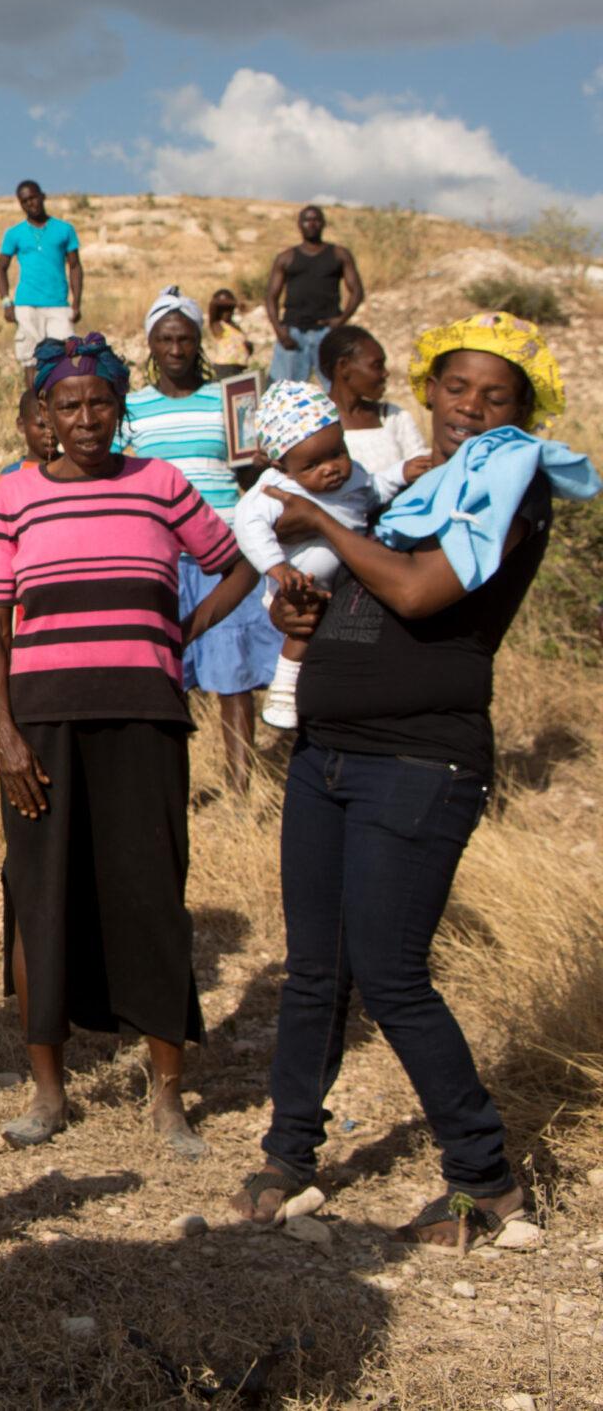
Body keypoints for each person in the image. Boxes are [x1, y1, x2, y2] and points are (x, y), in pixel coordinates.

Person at [237, 313, 597, 1245]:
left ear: (522, 412)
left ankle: (488, 1182)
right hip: (329, 751)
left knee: (392, 974)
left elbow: (416, 591)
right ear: (430, 390)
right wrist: (303, 602)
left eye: (496, 396)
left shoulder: (508, 492)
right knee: (317, 970)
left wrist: (315, 520)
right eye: (457, 388)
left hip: (419, 760)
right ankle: (289, 1155)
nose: (470, 408)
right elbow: (367, 594)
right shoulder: (420, 486)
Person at [0, 335, 258, 1157]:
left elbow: (234, 563)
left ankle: (168, 1096)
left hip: (145, 715)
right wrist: (4, 736)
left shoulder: (161, 483)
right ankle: (47, 1090)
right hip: (43, 722)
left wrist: (183, 632)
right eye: (68, 406)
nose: (86, 418)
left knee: (151, 894)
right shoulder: (16, 494)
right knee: (41, 894)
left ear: (119, 407)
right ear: (45, 415)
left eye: (100, 402)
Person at [118, 285, 277, 789]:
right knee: (168, 672)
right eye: (165, 339)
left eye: (185, 339)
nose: (176, 349)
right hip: (158, 555)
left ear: (198, 342)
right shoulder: (131, 409)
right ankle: (173, 786)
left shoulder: (229, 400)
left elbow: (249, 478)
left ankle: (240, 788)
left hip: (223, 553)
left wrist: (263, 464)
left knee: (234, 669)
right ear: (150, 343)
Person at [234, 381, 392, 732]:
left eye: (338, 453)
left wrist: (404, 474)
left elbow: (375, 490)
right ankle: (283, 693)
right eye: (313, 465)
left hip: (348, 581)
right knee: (303, 628)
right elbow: (248, 524)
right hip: (298, 580)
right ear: (283, 464)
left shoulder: (354, 476)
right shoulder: (276, 489)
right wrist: (277, 568)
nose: (331, 469)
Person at [0, 181, 84, 386]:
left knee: (66, 356)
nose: (30, 204)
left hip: (58, 304)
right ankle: (35, 410)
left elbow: (75, 266)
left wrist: (76, 302)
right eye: (24, 201)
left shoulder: (64, 229)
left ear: (42, 196)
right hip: (27, 304)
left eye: (33, 198)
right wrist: (7, 302)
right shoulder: (14, 233)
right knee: (30, 359)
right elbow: (0, 268)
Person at [318, 325, 430, 487]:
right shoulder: (314, 421)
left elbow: (424, 471)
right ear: (343, 367)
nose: (385, 373)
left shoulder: (393, 417)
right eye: (377, 366)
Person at [264, 205, 364, 386]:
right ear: (299, 225)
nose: (311, 224)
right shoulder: (286, 258)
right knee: (284, 392)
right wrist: (279, 330)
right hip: (293, 333)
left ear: (324, 223)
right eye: (306, 220)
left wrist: (341, 321)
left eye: (316, 219)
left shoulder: (339, 254)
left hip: (327, 333)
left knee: (337, 389)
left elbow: (357, 291)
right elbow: (271, 296)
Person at [0, 386, 57, 477]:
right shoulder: (11, 476)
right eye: (42, 426)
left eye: (55, 425)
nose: (50, 432)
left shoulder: (75, 468)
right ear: (21, 425)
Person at [203, 288, 260, 378]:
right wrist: (235, 303)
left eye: (229, 309)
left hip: (239, 369)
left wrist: (248, 347)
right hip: (225, 368)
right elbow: (213, 304)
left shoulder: (236, 327)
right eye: (222, 309)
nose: (226, 312)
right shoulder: (217, 325)